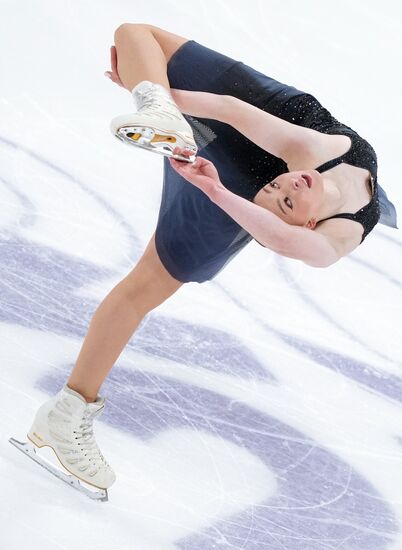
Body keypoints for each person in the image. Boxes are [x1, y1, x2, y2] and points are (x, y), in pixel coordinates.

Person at [26, 23, 397, 492]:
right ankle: (161, 114)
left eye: (282, 199)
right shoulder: (308, 155)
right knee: (137, 34)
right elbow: (230, 109)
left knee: (148, 285)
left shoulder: (324, 232)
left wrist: (215, 188)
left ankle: (67, 413)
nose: (289, 184)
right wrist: (155, 94)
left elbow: (298, 247)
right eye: (282, 188)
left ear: (303, 223)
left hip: (233, 182)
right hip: (271, 115)